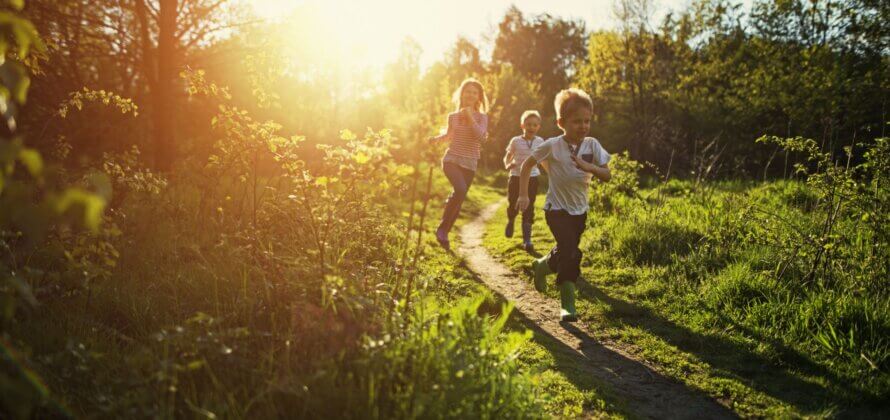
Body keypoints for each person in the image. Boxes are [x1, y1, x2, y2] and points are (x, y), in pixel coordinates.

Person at [515, 88, 611, 322]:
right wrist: (524, 195)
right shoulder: (552, 145)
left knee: (566, 251)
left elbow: (607, 174)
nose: (583, 126)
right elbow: (527, 165)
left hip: (580, 211)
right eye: (577, 121)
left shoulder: (592, 145)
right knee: (571, 251)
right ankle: (568, 305)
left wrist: (591, 168)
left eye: (587, 121)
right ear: (561, 122)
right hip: (556, 209)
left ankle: (542, 266)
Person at [428, 78, 489, 250]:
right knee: (460, 190)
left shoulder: (482, 117)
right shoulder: (453, 117)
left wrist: (471, 118)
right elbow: (449, 136)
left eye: (474, 92)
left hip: (470, 163)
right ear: (462, 94)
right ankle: (442, 229)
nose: (470, 94)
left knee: (459, 197)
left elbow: (481, 138)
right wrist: (435, 140)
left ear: (479, 97)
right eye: (468, 91)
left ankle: (444, 231)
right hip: (451, 160)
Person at [503, 110, 544, 252]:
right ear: (522, 125)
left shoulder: (540, 141)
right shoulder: (515, 141)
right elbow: (507, 156)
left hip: (532, 178)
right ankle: (511, 219)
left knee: (529, 205)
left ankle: (527, 240)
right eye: (528, 124)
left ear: (538, 126)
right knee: (513, 202)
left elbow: (544, 158)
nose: (531, 127)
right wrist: (508, 165)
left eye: (534, 125)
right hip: (515, 176)